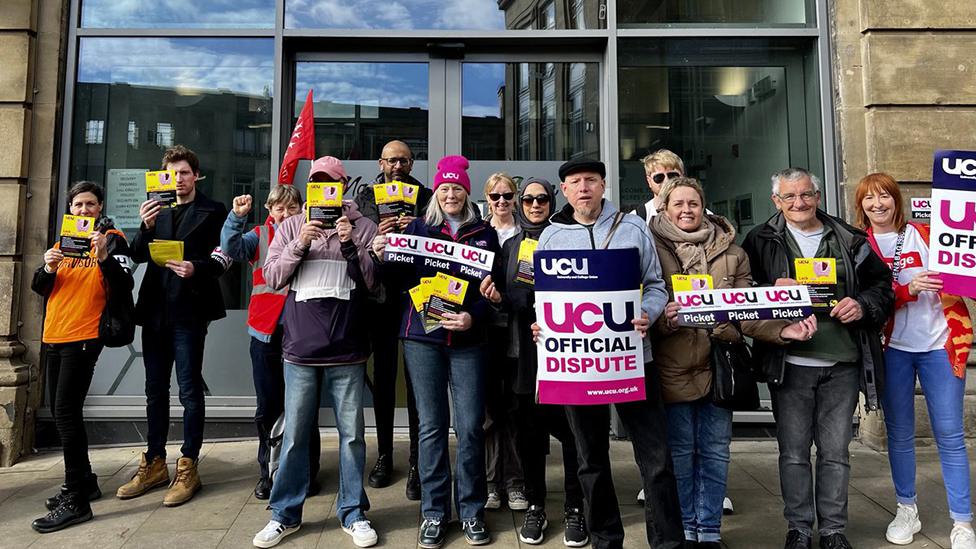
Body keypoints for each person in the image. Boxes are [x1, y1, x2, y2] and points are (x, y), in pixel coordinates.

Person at [648, 177, 818, 549]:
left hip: (720, 365)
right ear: (664, 209)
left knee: (714, 450)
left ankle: (708, 531)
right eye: (678, 204)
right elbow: (641, 305)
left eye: (693, 203)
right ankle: (685, 530)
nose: (686, 210)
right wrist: (664, 317)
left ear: (703, 206)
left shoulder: (733, 252)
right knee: (679, 453)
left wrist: (782, 331)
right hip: (672, 364)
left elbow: (747, 311)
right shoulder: (649, 248)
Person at [531, 158, 684, 549]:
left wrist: (647, 313)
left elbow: (655, 286)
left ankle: (668, 542)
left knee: (657, 461)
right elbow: (543, 299)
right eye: (575, 182)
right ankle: (605, 540)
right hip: (578, 366)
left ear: (603, 186)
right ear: (563, 191)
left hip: (633, 359)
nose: (584, 188)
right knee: (590, 461)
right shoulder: (550, 238)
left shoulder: (632, 228)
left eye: (591, 181)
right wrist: (542, 326)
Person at [742, 167, 894, 549]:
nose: (799, 203)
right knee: (793, 453)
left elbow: (883, 288)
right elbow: (740, 295)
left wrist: (861, 305)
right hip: (790, 363)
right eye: (789, 197)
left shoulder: (849, 237)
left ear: (818, 196)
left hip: (841, 363)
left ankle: (832, 530)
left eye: (806, 195)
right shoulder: (760, 239)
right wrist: (768, 290)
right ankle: (797, 528)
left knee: (835, 452)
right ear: (776, 201)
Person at [371, 155, 500, 548]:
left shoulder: (484, 233)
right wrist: (379, 251)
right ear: (436, 194)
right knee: (429, 428)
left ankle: (473, 511)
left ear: (466, 192)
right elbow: (392, 278)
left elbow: (488, 290)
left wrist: (473, 317)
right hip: (421, 338)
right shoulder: (417, 228)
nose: (450, 194)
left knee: (470, 427)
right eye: (444, 188)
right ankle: (433, 512)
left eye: (457, 188)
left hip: (467, 341)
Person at [251, 156, 380, 549]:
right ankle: (284, 515)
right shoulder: (289, 225)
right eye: (318, 183)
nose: (325, 189)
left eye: (332, 183)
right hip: (300, 350)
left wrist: (350, 243)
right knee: (293, 436)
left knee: (353, 436)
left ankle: (354, 512)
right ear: (310, 188)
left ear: (343, 188)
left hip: (348, 349)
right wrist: (300, 242)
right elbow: (272, 277)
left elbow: (373, 283)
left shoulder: (365, 227)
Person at [855, 173, 975, 549]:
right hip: (893, 349)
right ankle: (907, 508)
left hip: (941, 344)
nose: (878, 204)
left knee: (951, 436)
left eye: (885, 196)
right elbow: (865, 300)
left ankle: (963, 522)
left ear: (896, 200)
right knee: (900, 436)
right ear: (860, 206)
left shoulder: (927, 233)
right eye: (869, 199)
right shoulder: (858, 245)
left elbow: (964, 269)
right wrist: (908, 289)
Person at [117, 144, 229, 506]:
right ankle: (153, 463)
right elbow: (135, 255)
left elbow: (222, 257)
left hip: (190, 309)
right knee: (154, 389)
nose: (178, 180)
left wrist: (197, 267)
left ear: (196, 175)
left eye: (183, 173)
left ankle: (189, 464)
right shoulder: (156, 209)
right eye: (171, 174)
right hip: (154, 310)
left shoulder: (214, 210)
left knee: (189, 389)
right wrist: (144, 226)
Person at [480, 177, 590, 546]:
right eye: (527, 199)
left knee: (574, 434)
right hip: (525, 358)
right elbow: (499, 297)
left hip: (568, 357)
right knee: (529, 435)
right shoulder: (510, 246)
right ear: (520, 204)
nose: (535, 205)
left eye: (542, 199)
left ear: (551, 200)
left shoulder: (568, 237)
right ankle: (536, 505)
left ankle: (575, 507)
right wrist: (497, 297)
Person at [29, 182, 133, 533]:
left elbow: (123, 286)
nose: (84, 210)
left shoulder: (112, 238)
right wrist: (47, 267)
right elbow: (39, 287)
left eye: (90, 204)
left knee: (65, 414)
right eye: (78, 204)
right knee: (65, 413)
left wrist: (103, 256)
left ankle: (77, 499)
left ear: (100, 206)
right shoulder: (64, 242)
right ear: (70, 209)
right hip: (55, 334)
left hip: (85, 336)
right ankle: (85, 481)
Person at [219, 184, 323, 500]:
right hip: (265, 332)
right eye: (279, 208)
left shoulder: (311, 235)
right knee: (268, 406)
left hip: (301, 332)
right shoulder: (258, 235)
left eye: (292, 208)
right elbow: (232, 249)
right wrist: (236, 218)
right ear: (269, 210)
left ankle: (307, 472)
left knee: (305, 407)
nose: (285, 214)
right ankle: (269, 472)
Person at [354, 140, 431, 499]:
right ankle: (385, 455)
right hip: (379, 298)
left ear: (411, 162)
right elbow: (355, 242)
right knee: (383, 381)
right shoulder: (366, 198)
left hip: (416, 297)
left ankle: (418, 462)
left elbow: (439, 239)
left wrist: (417, 226)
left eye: (404, 160)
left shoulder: (427, 195)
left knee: (418, 384)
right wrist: (377, 232)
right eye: (391, 160)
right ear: (380, 162)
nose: (397, 166)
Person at [480, 172, 527, 512]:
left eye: (507, 195)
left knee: (515, 411)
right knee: (487, 413)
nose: (501, 202)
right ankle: (490, 483)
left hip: (517, 334)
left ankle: (515, 482)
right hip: (481, 334)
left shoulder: (527, 237)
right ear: (487, 199)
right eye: (495, 196)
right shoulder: (477, 234)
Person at [633, 149, 685, 223]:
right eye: (659, 177)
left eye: (673, 176)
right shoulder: (637, 218)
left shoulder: (703, 215)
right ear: (649, 181)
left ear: (682, 176)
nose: (667, 181)